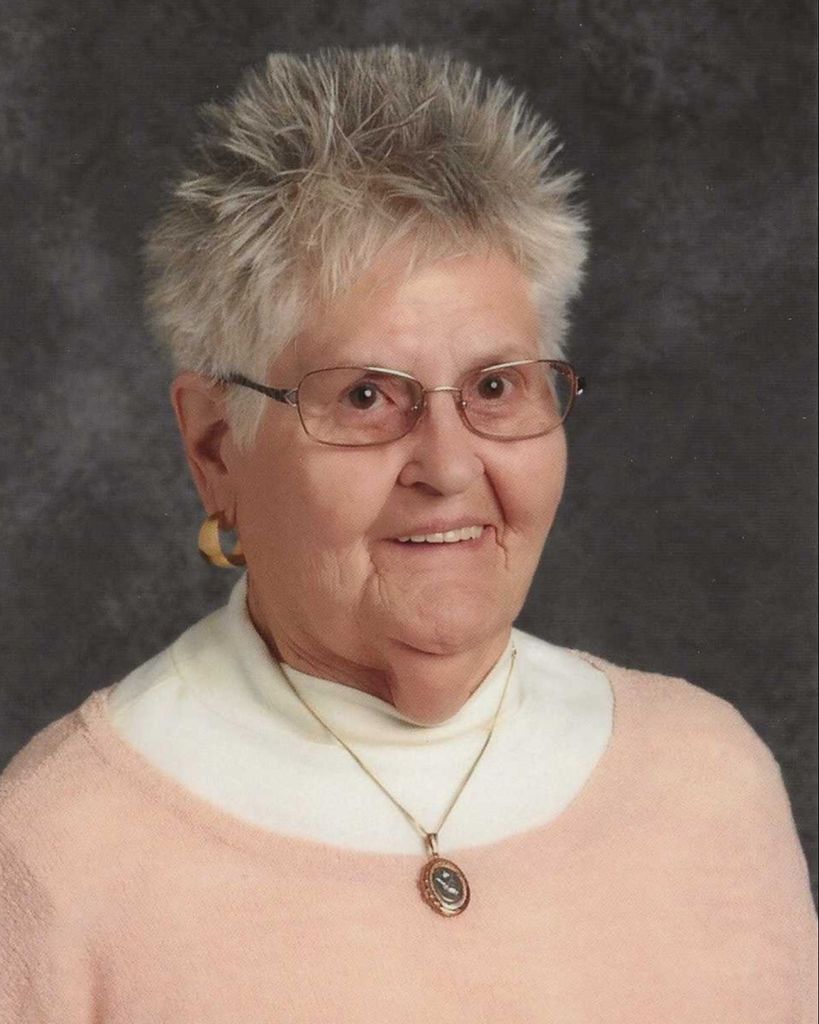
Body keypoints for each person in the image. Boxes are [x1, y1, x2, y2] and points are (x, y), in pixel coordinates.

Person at [0, 44, 815, 1022]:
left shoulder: (708, 782)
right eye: (365, 395)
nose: (449, 466)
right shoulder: (57, 855)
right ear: (216, 447)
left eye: (496, 386)